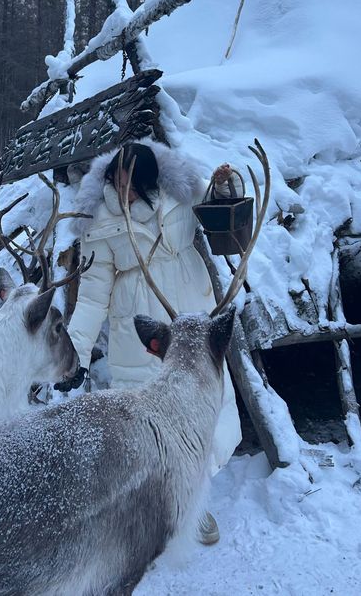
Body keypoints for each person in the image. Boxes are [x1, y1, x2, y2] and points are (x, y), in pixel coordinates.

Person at [57, 139, 242, 545]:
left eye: (129, 184)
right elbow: (91, 294)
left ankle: (194, 502)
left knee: (199, 413)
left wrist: (225, 186)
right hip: (138, 328)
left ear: (149, 179)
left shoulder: (179, 194)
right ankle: (154, 507)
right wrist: (76, 353)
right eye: (115, 182)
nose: (121, 192)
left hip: (192, 313)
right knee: (149, 425)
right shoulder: (99, 219)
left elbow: (220, 213)